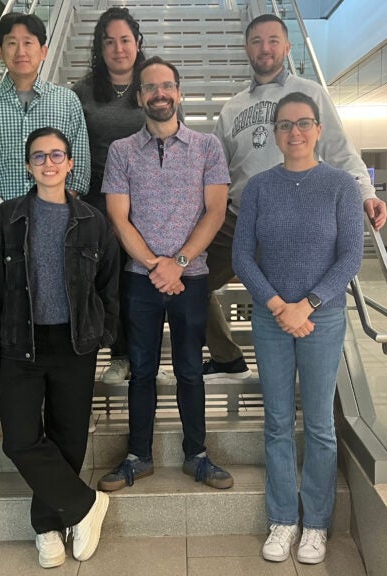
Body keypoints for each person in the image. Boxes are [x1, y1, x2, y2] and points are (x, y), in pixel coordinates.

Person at [204, 13, 387, 381]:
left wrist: (365, 191)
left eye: (273, 40)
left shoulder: (310, 94)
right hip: (238, 220)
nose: (265, 48)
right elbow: (214, 171)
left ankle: (308, 375)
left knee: (297, 293)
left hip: (292, 222)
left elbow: (339, 149)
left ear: (288, 47)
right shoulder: (232, 108)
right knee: (190, 282)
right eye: (256, 41)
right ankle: (226, 355)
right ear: (247, 49)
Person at [0, 127, 117, 568]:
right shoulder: (5, 221)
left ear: (71, 163)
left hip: (75, 344)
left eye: (57, 155)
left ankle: (49, 527)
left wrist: (105, 334)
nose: (49, 163)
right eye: (39, 156)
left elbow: (108, 284)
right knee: (19, 439)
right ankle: (85, 505)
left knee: (68, 437)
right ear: (27, 165)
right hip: (22, 343)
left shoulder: (93, 220)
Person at [232, 92, 365, 565]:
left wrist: (306, 305)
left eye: (304, 123)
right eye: (285, 125)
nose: (295, 133)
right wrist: (277, 305)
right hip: (271, 318)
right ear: (274, 132)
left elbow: (351, 254)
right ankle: (283, 519)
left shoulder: (340, 186)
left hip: (322, 317)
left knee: (320, 424)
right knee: (276, 421)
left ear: (318, 129)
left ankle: (316, 524)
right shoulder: (260, 188)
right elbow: (242, 255)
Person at [97, 56, 234, 492]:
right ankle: (138, 457)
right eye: (150, 87)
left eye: (167, 86)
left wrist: (177, 263)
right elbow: (119, 217)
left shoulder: (208, 147)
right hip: (140, 279)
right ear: (139, 97)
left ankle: (197, 455)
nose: (160, 93)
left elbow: (215, 212)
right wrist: (156, 265)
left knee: (191, 370)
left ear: (179, 93)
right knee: (141, 371)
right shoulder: (121, 152)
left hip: (190, 278)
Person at [72, 7, 157, 386]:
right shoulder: (84, 90)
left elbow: (172, 134)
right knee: (101, 278)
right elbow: (71, 142)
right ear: (100, 47)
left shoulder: (153, 83)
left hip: (145, 198)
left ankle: (137, 354)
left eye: (125, 40)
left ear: (137, 44)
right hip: (94, 197)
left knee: (136, 277)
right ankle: (109, 352)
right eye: (110, 41)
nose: (118, 48)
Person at [0, 12, 90, 221]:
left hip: (57, 220)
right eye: (12, 43)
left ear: (43, 51)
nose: (20, 51)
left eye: (28, 43)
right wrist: (1, 209)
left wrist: (54, 208)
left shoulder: (67, 101)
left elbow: (80, 168)